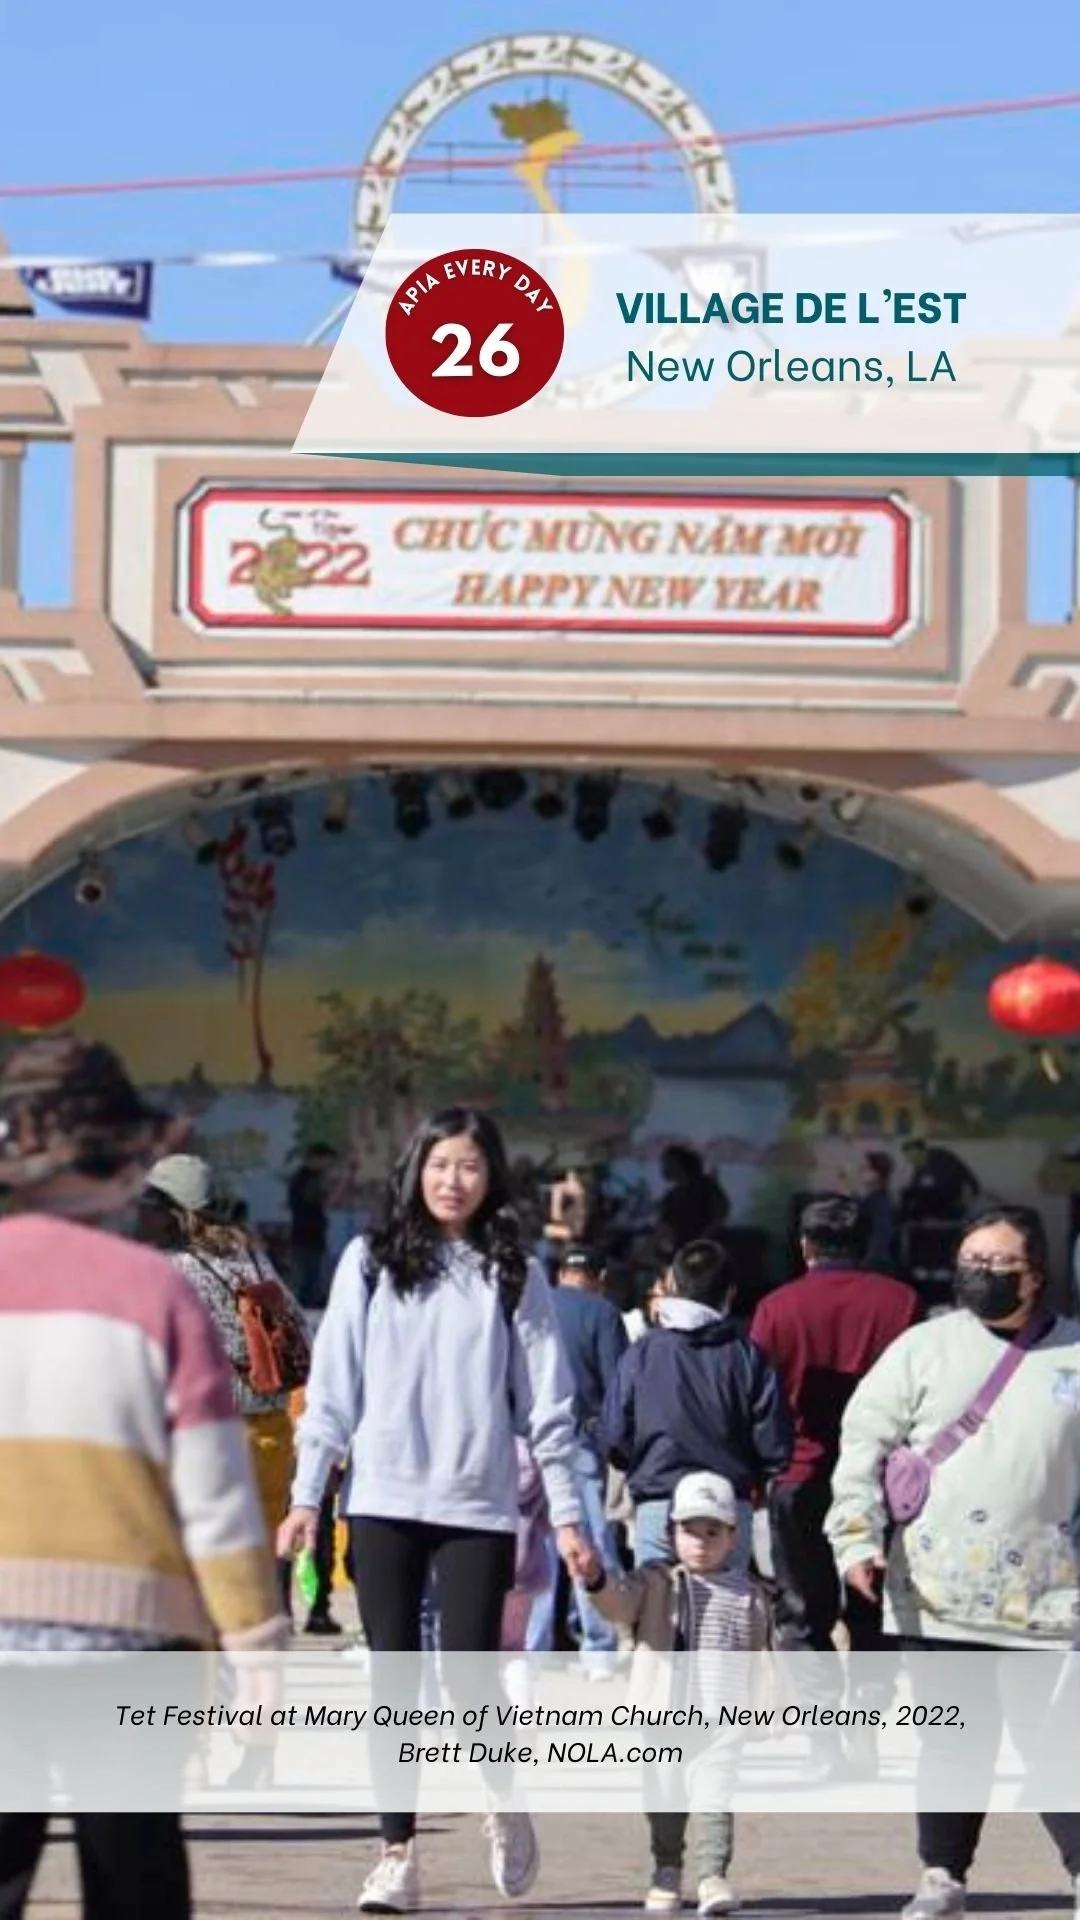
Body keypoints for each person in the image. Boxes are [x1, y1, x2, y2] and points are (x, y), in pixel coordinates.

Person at [277, 1105, 598, 1914]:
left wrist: (567, 1518)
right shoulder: (369, 1261)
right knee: (394, 1680)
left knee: (467, 1676)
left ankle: (502, 1793)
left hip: (476, 1506)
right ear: (416, 1168)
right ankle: (397, 1855)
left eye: (470, 1166)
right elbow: (332, 1391)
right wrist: (307, 1496)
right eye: (441, 1164)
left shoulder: (513, 1272)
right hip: (382, 1499)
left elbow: (549, 1408)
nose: (453, 1180)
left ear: (492, 1179)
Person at [0, 1036, 288, 1920]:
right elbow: (214, 1494)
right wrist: (255, 1640)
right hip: (129, 1644)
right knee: (135, 1879)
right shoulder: (154, 1292)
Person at [825, 1204, 1080, 1920]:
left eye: (1000, 1263)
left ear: (1036, 1273)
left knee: (1054, 1740)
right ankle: (942, 1877)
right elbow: (863, 1443)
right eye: (973, 1261)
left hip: (1047, 1594)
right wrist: (856, 1539)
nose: (983, 1273)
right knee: (953, 1740)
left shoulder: (1074, 1353)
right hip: (937, 1590)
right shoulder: (922, 1349)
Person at [749, 1193, 921, 1772]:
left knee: (802, 1611)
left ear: (804, 1246)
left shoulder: (776, 1308)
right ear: (865, 1244)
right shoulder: (901, 1302)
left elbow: (761, 1402)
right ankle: (866, 1727)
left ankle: (823, 1742)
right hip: (881, 1479)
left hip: (799, 1474)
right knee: (874, 1604)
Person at [584, 1471, 770, 1916]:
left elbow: (762, 1656)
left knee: (714, 1797)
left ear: (733, 1537)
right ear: (671, 1534)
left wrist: (766, 1709)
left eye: (713, 1532)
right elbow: (618, 1604)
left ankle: (712, 1876)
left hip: (722, 1720)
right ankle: (666, 1870)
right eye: (690, 1530)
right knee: (664, 1795)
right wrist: (596, 1580)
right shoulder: (655, 1583)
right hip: (664, 1718)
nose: (701, 1542)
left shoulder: (749, 1593)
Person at [137, 1153, 312, 1624]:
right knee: (255, 1566)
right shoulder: (251, 1256)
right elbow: (299, 1328)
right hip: (272, 1431)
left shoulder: (170, 1268)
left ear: (175, 1212)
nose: (140, 1215)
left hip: (211, 1439)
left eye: (149, 1205)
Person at [600, 1240, 792, 1571]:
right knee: (726, 1603)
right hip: (727, 1509)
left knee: (657, 1602)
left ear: (672, 1284)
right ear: (730, 1293)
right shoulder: (747, 1356)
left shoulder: (642, 1353)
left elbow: (614, 1435)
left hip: (659, 1502)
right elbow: (773, 1445)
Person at [526, 1243, 628, 1669]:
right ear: (600, 1279)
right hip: (580, 1441)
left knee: (538, 1545)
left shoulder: (533, 1307)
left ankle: (534, 1646)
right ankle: (598, 1647)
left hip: (529, 1441)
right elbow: (618, 1388)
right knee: (587, 1541)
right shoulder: (603, 1313)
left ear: (560, 1274)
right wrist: (611, 1442)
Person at [287, 1142, 338, 1309]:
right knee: (308, 1281)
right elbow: (324, 1202)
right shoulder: (307, 1180)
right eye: (327, 1162)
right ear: (317, 1158)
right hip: (308, 1235)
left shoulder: (302, 1178)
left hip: (308, 1235)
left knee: (310, 1279)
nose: (328, 1167)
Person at [657, 1147, 730, 1255]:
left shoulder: (707, 1187)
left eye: (667, 1164)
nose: (663, 1168)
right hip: (682, 1251)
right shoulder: (671, 1196)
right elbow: (666, 1227)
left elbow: (719, 1217)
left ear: (678, 1165)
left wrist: (700, 1243)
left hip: (707, 1250)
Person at [898, 1139, 980, 1227]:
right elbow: (915, 1185)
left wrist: (974, 1191)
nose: (912, 1161)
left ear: (922, 1151)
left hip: (948, 1198)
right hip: (937, 1197)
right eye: (909, 1158)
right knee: (907, 1195)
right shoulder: (920, 1166)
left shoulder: (941, 1159)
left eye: (914, 1156)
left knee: (920, 1197)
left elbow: (964, 1175)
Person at [860, 1151, 899, 1270]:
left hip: (875, 1264)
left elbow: (881, 1237)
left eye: (867, 1168)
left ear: (878, 1174)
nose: (861, 1171)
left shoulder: (880, 1203)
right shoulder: (873, 1199)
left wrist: (868, 1262)